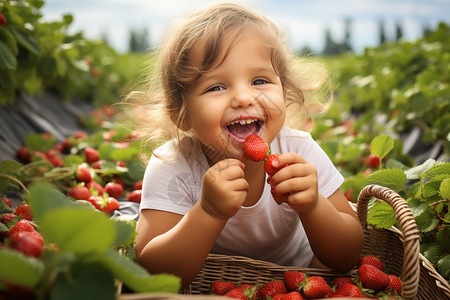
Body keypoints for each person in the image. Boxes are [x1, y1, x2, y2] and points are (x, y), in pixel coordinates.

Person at [125, 2, 364, 289]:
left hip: (299, 281)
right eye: (216, 87)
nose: (242, 97)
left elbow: (348, 255)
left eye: (260, 80)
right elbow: (151, 273)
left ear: (285, 91)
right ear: (182, 113)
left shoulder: (300, 151)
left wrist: (314, 206)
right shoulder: (174, 166)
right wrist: (208, 213)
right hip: (212, 285)